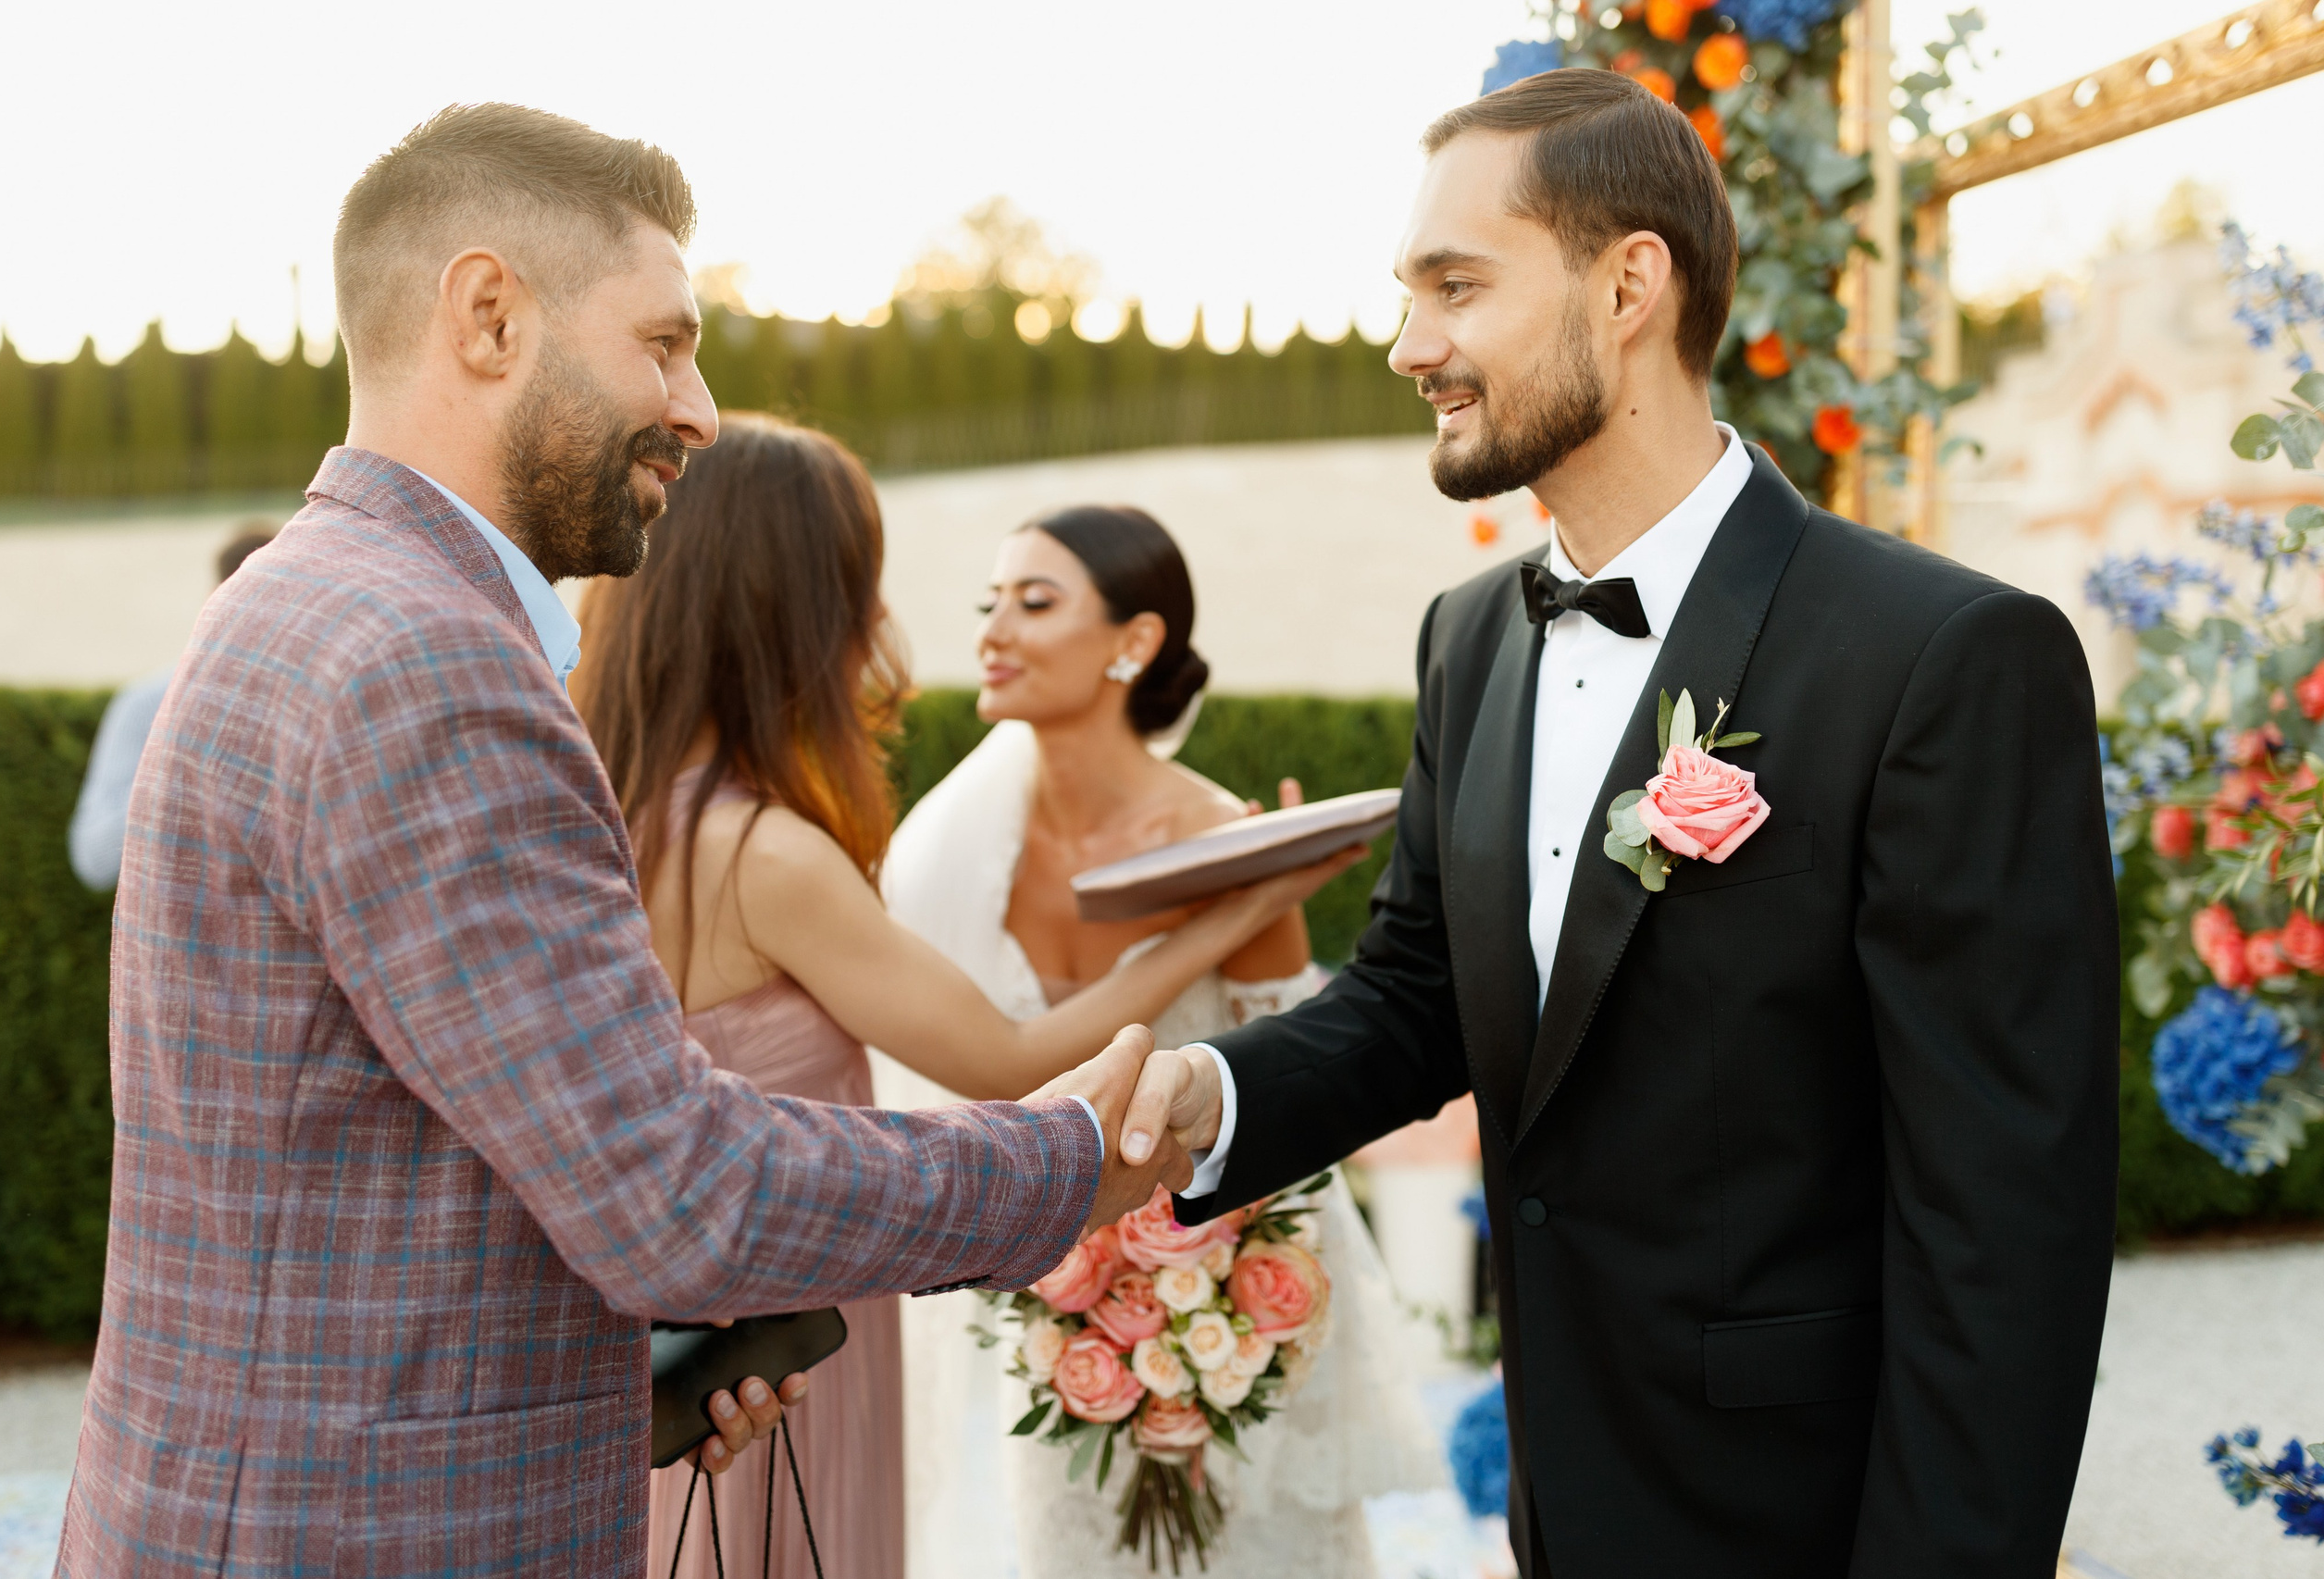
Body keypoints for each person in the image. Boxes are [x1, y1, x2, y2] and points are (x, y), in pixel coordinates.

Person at [60, 105, 1199, 1579]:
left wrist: (639, 1369)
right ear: (490, 318)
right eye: (664, 343)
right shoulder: (428, 664)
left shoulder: (294, 598)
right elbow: (682, 1193)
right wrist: (1063, 1164)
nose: (701, 407)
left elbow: (386, 1163)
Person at [1145, 69, 2119, 1577]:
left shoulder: (1942, 660)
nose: (1414, 348)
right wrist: (1193, 1100)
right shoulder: (1469, 641)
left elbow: (2004, 1236)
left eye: (1456, 288)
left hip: (1807, 1521)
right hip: (1565, 1508)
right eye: (1409, 296)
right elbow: (1418, 1000)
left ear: (1629, 285)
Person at [570, 419, 1348, 1579]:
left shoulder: (604, 816)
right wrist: (1236, 907)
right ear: (789, 606)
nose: (877, 628)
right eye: (855, 587)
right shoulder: (763, 853)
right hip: (787, 1344)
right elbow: (1008, 1057)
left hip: (682, 1341)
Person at [877, 504, 1443, 1579]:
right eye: (988, 601)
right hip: (1045, 1317)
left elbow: (1290, 1097)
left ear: (1133, 643)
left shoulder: (1228, 840)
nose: (994, 627)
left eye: (1034, 602)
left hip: (1226, 1311)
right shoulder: (947, 851)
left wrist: (1224, 1322)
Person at [66, 524, 272, 889]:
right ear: (217, 600)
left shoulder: (326, 701)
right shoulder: (147, 703)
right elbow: (93, 859)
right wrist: (179, 759)